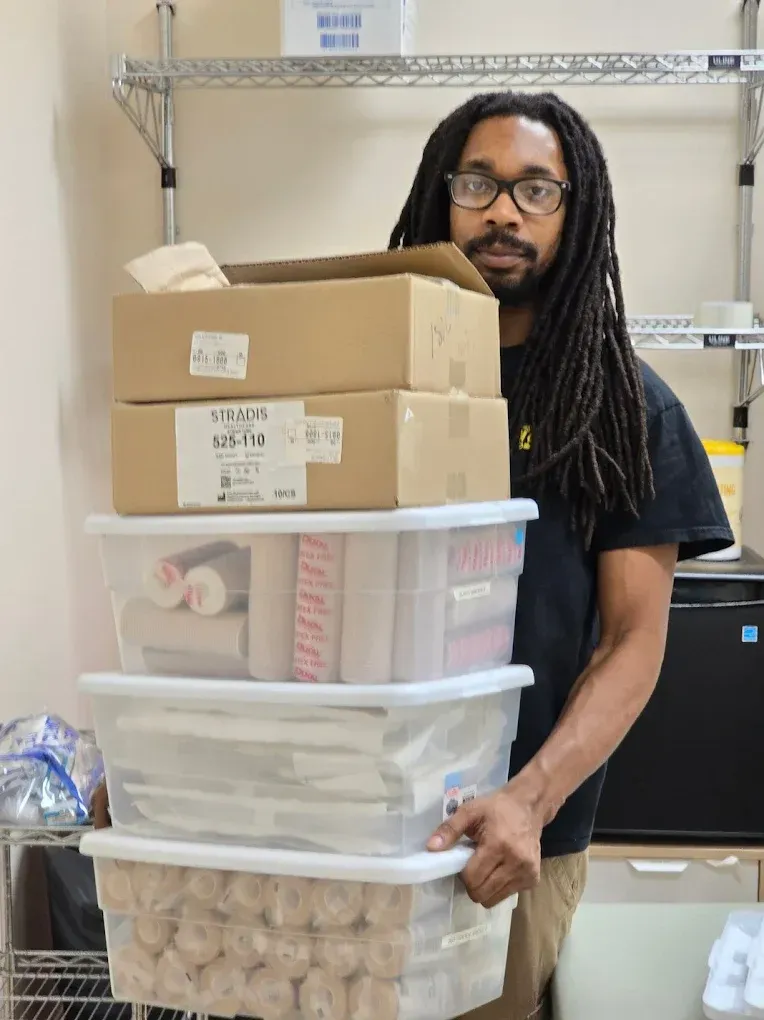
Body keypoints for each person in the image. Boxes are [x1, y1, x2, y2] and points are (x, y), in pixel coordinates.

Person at [391, 91, 734, 1020]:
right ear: (440, 199)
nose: (503, 211)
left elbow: (632, 643)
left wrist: (529, 803)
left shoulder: (627, 411)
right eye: (480, 184)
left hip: (509, 837)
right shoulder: (375, 380)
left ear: (576, 217)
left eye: (538, 190)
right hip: (360, 804)